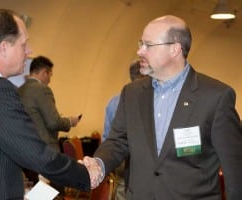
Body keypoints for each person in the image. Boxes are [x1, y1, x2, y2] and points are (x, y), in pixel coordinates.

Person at [0, 9, 100, 200]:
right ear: (3, 48)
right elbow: (36, 154)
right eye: (24, 44)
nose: (29, 51)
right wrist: (85, 175)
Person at [82, 15, 242, 199]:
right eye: (140, 43)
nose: (140, 51)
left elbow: (235, 169)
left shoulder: (216, 97)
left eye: (148, 45)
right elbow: (118, 141)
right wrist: (99, 163)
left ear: (175, 49)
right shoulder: (132, 93)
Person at [18, 55, 80, 193]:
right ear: (44, 72)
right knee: (52, 193)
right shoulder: (42, 90)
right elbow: (53, 122)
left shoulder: (18, 91)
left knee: (34, 194)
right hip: (46, 153)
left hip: (24, 154)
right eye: (50, 74)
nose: (50, 80)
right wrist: (70, 121)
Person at [102, 60, 145, 200]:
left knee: (121, 190)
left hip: (119, 159)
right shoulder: (151, 99)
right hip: (144, 162)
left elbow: (106, 137)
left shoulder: (114, 101)